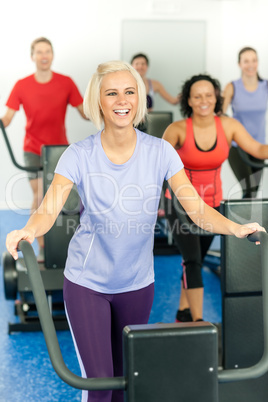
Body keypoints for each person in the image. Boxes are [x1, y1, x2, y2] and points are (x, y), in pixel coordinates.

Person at [6, 62, 264, 402]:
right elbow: (49, 210)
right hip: (87, 283)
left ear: (139, 99)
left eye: (129, 92)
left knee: (129, 381)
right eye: (111, 93)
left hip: (137, 283)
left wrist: (236, 228)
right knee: (99, 385)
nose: (121, 100)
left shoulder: (160, 152)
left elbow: (197, 210)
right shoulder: (79, 155)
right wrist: (26, 231)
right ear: (99, 101)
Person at [162, 73, 268, 323]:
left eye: (209, 95)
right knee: (192, 260)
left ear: (217, 98)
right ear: (188, 100)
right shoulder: (177, 130)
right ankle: (199, 324)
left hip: (213, 205)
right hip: (179, 204)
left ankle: (182, 314)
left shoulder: (228, 126)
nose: (203, 100)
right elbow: (158, 159)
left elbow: (257, 149)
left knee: (193, 261)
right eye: (197, 96)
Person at [1, 36, 88, 261]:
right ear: (33, 56)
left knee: (62, 197)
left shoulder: (66, 82)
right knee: (39, 194)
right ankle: (40, 247)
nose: (44, 56)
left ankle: (66, 245)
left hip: (59, 149)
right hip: (32, 149)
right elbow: (7, 118)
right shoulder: (22, 84)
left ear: (52, 55)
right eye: (39, 52)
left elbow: (84, 112)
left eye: (47, 51)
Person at [222, 46, 268, 198]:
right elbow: (219, 114)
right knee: (249, 189)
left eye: (254, 60)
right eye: (246, 61)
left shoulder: (265, 86)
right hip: (237, 146)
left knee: (253, 192)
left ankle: (248, 222)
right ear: (239, 64)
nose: (250, 64)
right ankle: (241, 222)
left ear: (257, 62)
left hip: (260, 147)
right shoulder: (232, 87)